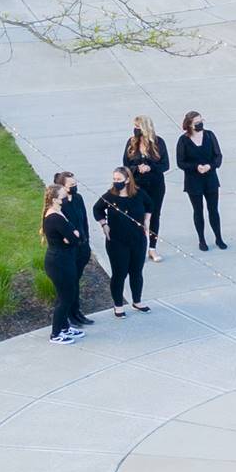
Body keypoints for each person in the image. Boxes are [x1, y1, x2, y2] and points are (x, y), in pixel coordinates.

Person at [93, 167, 154, 317]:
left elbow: (150, 205)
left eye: (119, 179)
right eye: (114, 179)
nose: (116, 182)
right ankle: (118, 305)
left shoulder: (139, 194)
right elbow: (97, 209)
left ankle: (137, 301)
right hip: (117, 241)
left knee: (136, 272)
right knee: (119, 273)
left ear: (127, 180)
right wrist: (104, 224)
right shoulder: (110, 196)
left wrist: (146, 220)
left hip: (138, 240)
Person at [176, 111, 227, 251]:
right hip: (193, 181)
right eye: (197, 123)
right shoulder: (183, 140)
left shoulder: (209, 135)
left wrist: (209, 166)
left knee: (213, 210)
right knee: (198, 211)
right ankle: (202, 240)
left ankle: (219, 238)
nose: (200, 124)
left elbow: (218, 156)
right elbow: (180, 162)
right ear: (190, 125)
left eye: (201, 121)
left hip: (210, 179)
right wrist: (196, 167)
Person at [41, 183, 85, 344]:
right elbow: (74, 239)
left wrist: (72, 235)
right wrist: (72, 235)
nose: (66, 198)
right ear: (54, 200)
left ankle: (65, 327)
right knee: (65, 298)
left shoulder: (58, 212)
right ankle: (56, 333)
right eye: (63, 197)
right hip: (58, 262)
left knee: (69, 293)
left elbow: (73, 235)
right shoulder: (54, 217)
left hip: (65, 259)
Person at [124, 115, 170, 259]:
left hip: (155, 185)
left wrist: (150, 167)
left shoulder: (158, 142)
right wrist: (137, 168)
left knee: (154, 216)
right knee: (138, 216)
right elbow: (125, 165)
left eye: (138, 127)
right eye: (135, 127)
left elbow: (165, 165)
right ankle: (138, 248)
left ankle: (152, 248)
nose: (136, 130)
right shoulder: (131, 143)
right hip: (137, 185)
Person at [55, 172, 96, 326]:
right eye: (71, 185)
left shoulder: (78, 199)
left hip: (82, 247)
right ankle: (69, 314)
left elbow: (84, 221)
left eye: (75, 184)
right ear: (62, 187)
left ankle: (77, 312)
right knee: (70, 283)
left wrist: (86, 241)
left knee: (76, 281)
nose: (74, 187)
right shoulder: (60, 205)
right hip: (69, 250)